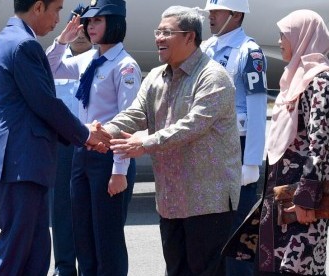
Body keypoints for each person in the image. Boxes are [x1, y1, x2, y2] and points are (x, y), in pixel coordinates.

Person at [106, 6, 241, 275]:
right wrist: (103, 132)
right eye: (158, 32)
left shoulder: (213, 77)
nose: (158, 38)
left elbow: (191, 126)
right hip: (171, 199)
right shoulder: (156, 75)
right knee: (176, 270)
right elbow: (137, 113)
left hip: (207, 201)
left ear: (190, 37)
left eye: (166, 33)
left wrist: (144, 144)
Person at [0, 0, 112, 275]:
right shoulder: (23, 45)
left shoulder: (8, 38)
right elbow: (45, 102)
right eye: (56, 10)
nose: (59, 18)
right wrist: (86, 133)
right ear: (39, 7)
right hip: (22, 161)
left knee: (36, 250)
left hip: (23, 161)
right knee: (16, 248)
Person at [46, 0, 141, 274]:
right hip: (83, 155)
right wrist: (62, 41)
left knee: (107, 240)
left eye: (98, 21)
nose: (90, 27)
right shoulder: (90, 58)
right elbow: (49, 69)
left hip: (109, 157)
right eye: (89, 22)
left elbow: (129, 122)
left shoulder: (125, 66)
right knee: (83, 236)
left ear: (115, 23)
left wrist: (119, 170)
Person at [257, 9, 329, 275]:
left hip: (301, 198)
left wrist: (307, 198)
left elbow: (319, 140)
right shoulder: (292, 79)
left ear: (303, 36)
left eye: (284, 35)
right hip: (279, 193)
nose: (279, 41)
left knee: (297, 267)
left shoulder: (318, 81)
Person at [200, 0, 268, 274]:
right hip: (206, 147)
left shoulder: (249, 52)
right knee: (209, 230)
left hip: (236, 148)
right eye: (210, 11)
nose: (211, 16)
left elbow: (257, 107)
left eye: (217, 11)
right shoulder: (205, 48)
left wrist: (251, 160)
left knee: (237, 233)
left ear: (236, 14)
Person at [48, 4, 93, 276]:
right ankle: (64, 266)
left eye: (86, 26)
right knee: (61, 208)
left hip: (90, 141)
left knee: (88, 210)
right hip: (63, 144)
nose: (81, 32)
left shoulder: (100, 60)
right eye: (75, 26)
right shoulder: (55, 60)